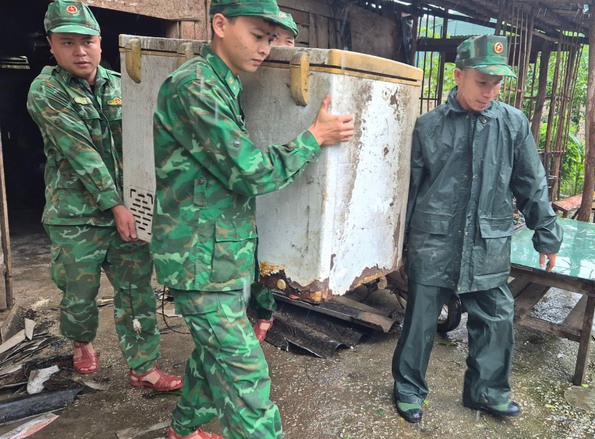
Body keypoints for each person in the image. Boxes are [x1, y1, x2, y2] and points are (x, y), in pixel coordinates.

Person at [151, 0, 354, 437]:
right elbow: (251, 173)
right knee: (245, 377)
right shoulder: (195, 86)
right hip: (198, 261)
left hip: (219, 256)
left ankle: (184, 430)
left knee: (213, 355)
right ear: (220, 24)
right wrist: (314, 137)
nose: (265, 47)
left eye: (271, 38)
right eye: (257, 35)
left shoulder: (223, 83)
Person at [391, 35, 563, 424]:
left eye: (497, 83)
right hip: (434, 238)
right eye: (482, 82)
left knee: (496, 316)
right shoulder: (429, 126)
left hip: (488, 239)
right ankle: (409, 389)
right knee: (420, 318)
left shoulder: (513, 124)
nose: (490, 92)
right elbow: (409, 189)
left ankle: (487, 392)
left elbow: (531, 183)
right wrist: (397, 245)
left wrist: (546, 234)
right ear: (459, 76)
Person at [26, 0, 182, 392]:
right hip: (76, 215)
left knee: (136, 291)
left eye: (87, 41)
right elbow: (81, 153)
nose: (80, 51)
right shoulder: (46, 91)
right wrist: (116, 205)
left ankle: (143, 366)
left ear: (100, 42)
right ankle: (81, 341)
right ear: (51, 45)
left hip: (129, 208)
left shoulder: (123, 83)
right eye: (67, 42)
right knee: (79, 294)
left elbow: (150, 140)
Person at [249, 9, 299, 343]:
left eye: (287, 40)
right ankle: (260, 309)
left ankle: (268, 308)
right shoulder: (244, 75)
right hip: (250, 175)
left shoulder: (301, 78)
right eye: (271, 38)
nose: (278, 46)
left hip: (283, 176)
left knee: (273, 248)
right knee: (252, 254)